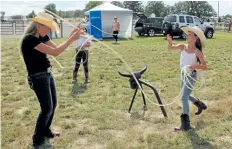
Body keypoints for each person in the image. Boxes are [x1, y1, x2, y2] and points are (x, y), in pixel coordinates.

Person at [20, 12, 83, 148]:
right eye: (47, 27)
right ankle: (37, 141)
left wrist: (71, 36)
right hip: (37, 77)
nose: (49, 30)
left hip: (46, 74)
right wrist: (72, 39)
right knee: (46, 108)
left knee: (52, 105)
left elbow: (56, 47)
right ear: (39, 25)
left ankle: (46, 131)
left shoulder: (42, 36)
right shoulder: (29, 40)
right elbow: (56, 52)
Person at [167, 26, 208, 131]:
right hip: (183, 74)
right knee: (185, 95)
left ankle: (186, 124)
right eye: (187, 34)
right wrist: (170, 42)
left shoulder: (198, 52)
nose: (187, 36)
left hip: (191, 76)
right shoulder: (182, 46)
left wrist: (194, 66)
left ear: (196, 38)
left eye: (190, 34)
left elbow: (205, 66)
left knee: (184, 97)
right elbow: (170, 48)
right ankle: (200, 104)